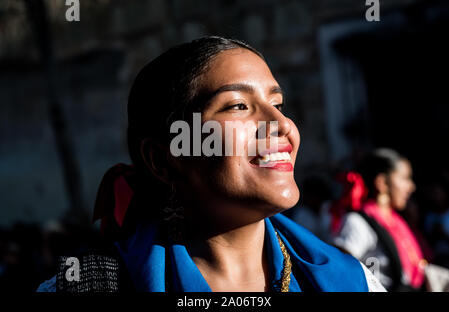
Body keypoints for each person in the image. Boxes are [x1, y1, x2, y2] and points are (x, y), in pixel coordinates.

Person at [37, 36, 384, 292]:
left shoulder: (350, 281)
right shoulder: (90, 287)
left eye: (278, 103)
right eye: (236, 106)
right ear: (162, 160)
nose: (281, 125)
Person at [332, 148, 426, 291]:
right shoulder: (358, 222)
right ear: (382, 183)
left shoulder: (395, 222)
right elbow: (338, 270)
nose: (411, 187)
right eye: (404, 178)